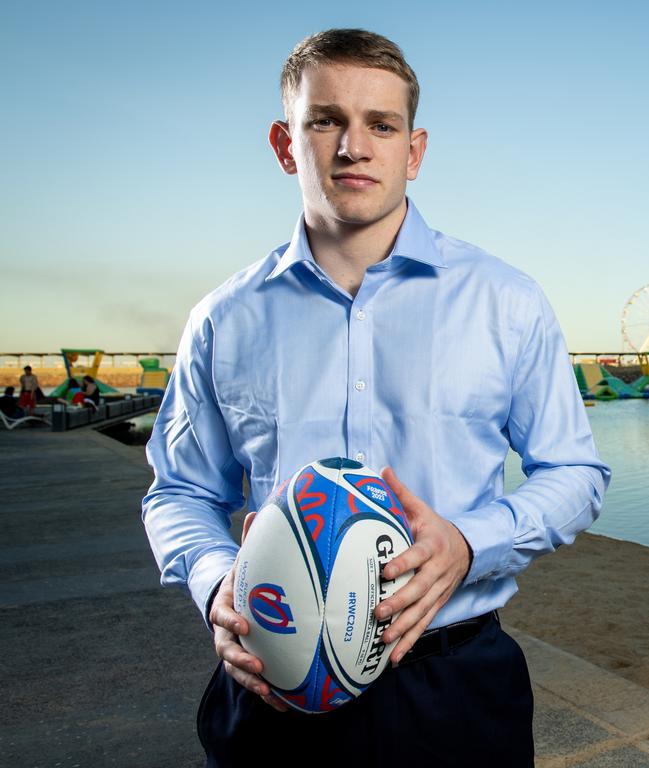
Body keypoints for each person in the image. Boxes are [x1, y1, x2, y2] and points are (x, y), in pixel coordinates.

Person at [142, 28, 609, 768]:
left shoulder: (506, 302)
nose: (353, 147)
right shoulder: (222, 320)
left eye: (380, 125)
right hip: (272, 686)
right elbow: (178, 491)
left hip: (451, 683)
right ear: (284, 144)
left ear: (413, 150)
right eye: (325, 120)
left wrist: (467, 544)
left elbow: (576, 474)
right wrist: (215, 588)